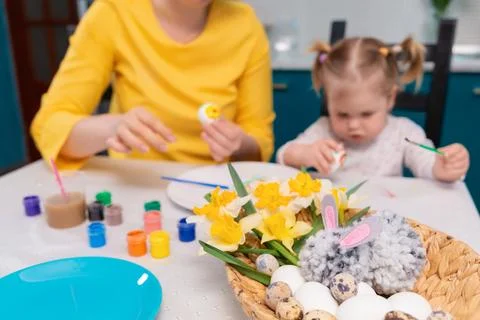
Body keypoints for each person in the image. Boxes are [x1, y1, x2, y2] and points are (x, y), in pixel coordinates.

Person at [31, 0, 274, 170]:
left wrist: (238, 143)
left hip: (216, 190)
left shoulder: (245, 24)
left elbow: (260, 141)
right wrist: (112, 127)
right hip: (137, 185)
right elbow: (50, 126)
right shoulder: (112, 13)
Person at [277, 36, 469, 182]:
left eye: (366, 114)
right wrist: (305, 154)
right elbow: (283, 156)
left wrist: (444, 168)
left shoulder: (403, 133)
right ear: (329, 102)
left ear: (390, 99)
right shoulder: (323, 130)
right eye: (342, 114)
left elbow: (427, 165)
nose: (353, 125)